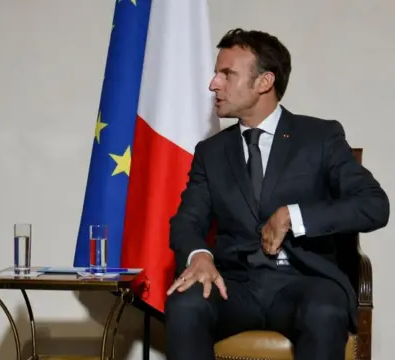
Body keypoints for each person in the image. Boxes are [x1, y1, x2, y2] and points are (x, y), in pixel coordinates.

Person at [164, 28, 389, 360]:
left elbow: (374, 205)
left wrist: (292, 216)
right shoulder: (210, 152)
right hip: (235, 287)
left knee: (324, 310)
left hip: (303, 284)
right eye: (216, 74)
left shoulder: (320, 137)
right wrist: (199, 255)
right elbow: (187, 221)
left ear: (264, 82)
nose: (214, 84)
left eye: (227, 74)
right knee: (185, 303)